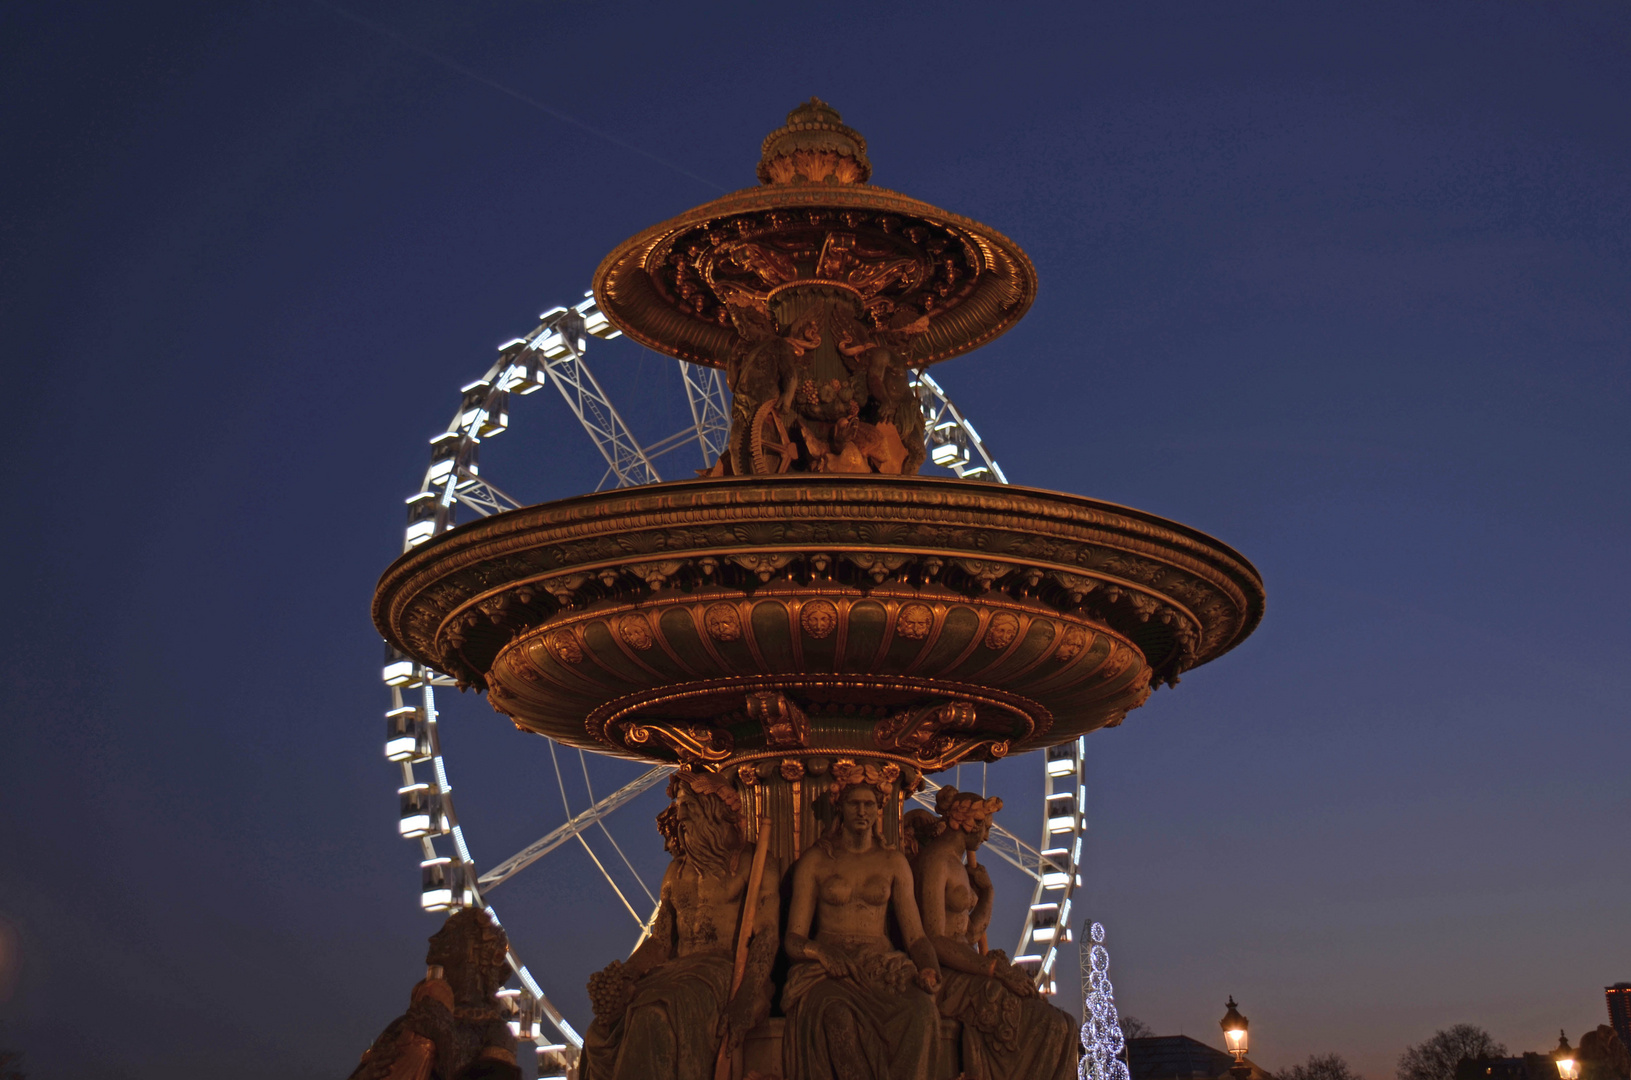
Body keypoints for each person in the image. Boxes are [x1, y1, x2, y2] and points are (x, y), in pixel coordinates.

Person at [580, 770, 778, 1080]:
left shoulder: (753, 864)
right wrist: (625, 975)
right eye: (680, 805)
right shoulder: (676, 872)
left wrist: (748, 993)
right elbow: (661, 942)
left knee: (655, 1015)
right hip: (677, 973)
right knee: (603, 1029)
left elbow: (767, 936)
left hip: (721, 972)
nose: (680, 814)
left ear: (714, 810)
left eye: (689, 804)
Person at [782, 759, 942, 1080]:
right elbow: (793, 939)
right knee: (836, 1017)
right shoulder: (815, 862)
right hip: (830, 971)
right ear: (840, 807)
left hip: (881, 967)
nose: (862, 811)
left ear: (879, 808)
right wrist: (821, 953)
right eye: (854, 803)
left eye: (869, 804)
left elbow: (916, 937)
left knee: (922, 1014)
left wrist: (929, 968)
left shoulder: (893, 862)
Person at [906, 785, 1078, 1080]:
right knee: (1045, 1024)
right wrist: (994, 970)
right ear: (967, 823)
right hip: (945, 972)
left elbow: (969, 936)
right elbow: (934, 939)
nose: (986, 835)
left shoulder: (958, 867)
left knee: (1065, 1025)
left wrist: (987, 893)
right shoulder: (936, 861)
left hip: (967, 966)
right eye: (985, 827)